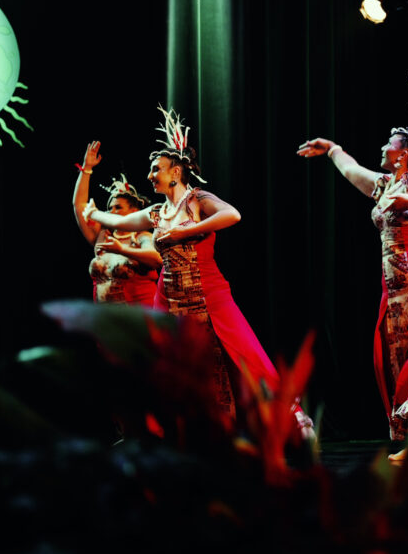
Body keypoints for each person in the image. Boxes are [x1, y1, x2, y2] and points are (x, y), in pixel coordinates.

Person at [84, 109, 283, 419]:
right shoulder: (156, 213)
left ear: (175, 171)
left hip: (207, 292)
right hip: (170, 299)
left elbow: (232, 215)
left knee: (242, 355)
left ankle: (282, 418)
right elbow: (116, 220)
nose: (150, 175)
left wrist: (186, 231)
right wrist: (92, 213)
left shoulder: (196, 200)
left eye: (156, 169)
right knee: (168, 367)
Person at [297, 128, 408, 441]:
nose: (383, 147)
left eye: (389, 143)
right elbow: (352, 171)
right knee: (394, 354)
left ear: (404, 153)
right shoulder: (385, 184)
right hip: (393, 285)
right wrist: (332, 148)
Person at [73, 141, 161, 305]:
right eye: (109, 208)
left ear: (134, 212)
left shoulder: (142, 237)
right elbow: (79, 206)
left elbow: (156, 259)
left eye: (118, 207)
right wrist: (87, 168)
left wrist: (122, 249)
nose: (111, 212)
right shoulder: (102, 236)